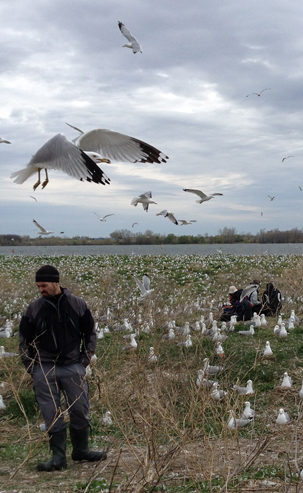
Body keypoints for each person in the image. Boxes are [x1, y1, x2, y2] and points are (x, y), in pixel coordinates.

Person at [19, 265, 107, 472]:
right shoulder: (34, 309)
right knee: (51, 412)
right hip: (44, 368)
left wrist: (83, 361)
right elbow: (24, 341)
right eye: (38, 286)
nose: (40, 289)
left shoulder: (77, 304)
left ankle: (81, 450)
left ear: (56, 283)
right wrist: (33, 369)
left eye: (44, 285)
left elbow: (90, 334)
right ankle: (58, 457)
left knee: (80, 409)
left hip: (72, 367)